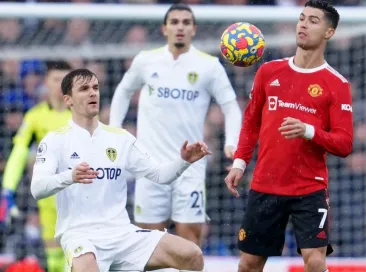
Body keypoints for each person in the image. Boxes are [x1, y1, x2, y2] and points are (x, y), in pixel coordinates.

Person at [30, 68, 210, 272]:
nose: (92, 93)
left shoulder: (120, 138)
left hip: (123, 234)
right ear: (68, 100)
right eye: (84, 89)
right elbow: (37, 189)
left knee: (191, 255)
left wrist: (184, 161)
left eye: (95, 88)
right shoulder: (55, 140)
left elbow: (160, 175)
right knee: (87, 266)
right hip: (80, 234)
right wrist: (69, 176)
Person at [225, 1, 354, 271]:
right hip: (265, 185)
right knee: (249, 263)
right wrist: (239, 162)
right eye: (301, 18)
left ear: (329, 33)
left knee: (316, 261)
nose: (303, 24)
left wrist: (308, 131)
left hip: (310, 189)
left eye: (313, 21)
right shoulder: (268, 72)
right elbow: (251, 123)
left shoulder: (337, 84)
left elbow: (344, 144)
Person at [109, 2, 242, 250]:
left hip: (190, 167)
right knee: (148, 244)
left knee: (190, 244)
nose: (180, 27)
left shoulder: (209, 65)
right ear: (164, 28)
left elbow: (231, 106)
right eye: (174, 22)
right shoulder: (146, 60)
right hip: (150, 165)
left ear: (194, 29)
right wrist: (114, 130)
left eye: (186, 22)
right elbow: (123, 92)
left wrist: (231, 142)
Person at [1, 61, 72, 272]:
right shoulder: (35, 117)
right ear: (46, 83)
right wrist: (8, 188)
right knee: (53, 258)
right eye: (56, 79)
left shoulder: (83, 115)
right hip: (48, 196)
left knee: (76, 252)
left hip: (79, 193)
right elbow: (19, 154)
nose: (61, 85)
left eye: (66, 80)